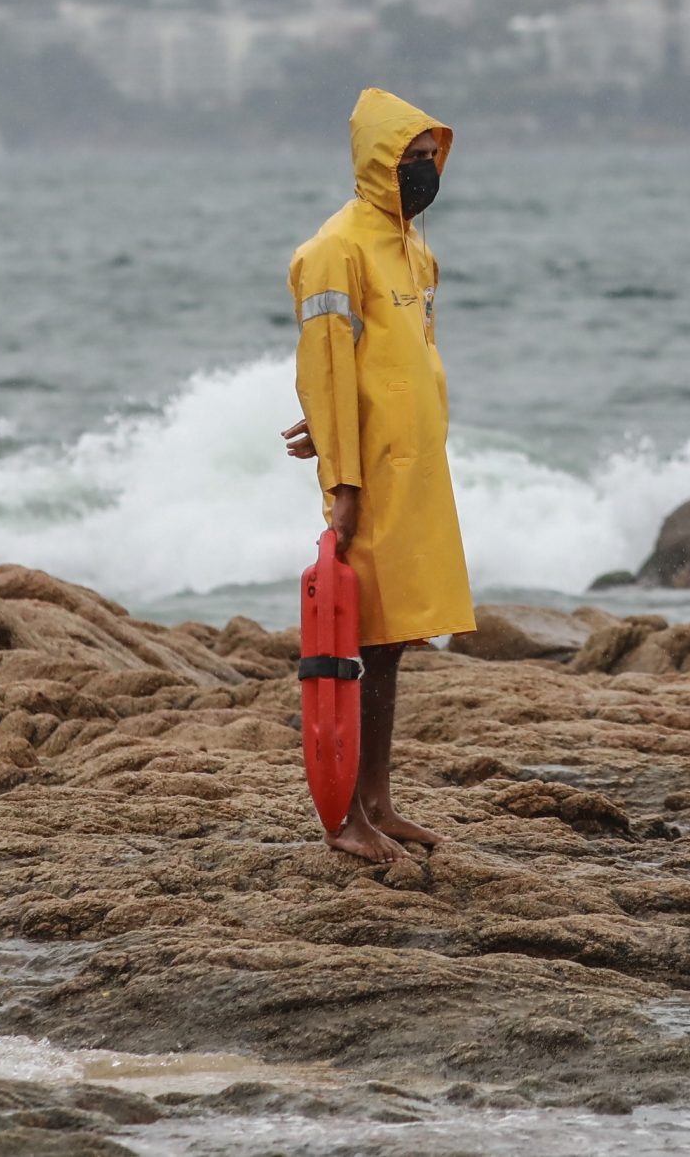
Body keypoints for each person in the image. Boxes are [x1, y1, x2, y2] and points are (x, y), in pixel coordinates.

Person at [281, 87, 474, 863]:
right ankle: (343, 818)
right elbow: (325, 367)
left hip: (418, 472)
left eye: (431, 159)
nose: (425, 173)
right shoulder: (336, 249)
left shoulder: (415, 249)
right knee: (354, 645)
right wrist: (342, 478)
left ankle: (380, 802)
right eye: (411, 160)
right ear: (378, 163)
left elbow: (396, 365)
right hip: (369, 480)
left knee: (393, 643)